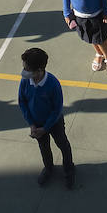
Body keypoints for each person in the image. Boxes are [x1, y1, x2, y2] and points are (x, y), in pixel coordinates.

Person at [18, 47, 75, 188]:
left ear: (39, 70)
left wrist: (46, 127)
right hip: (36, 124)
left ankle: (69, 169)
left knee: (63, 145)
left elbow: (57, 109)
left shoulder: (53, 84)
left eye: (27, 69)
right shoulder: (25, 81)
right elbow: (22, 101)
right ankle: (49, 168)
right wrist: (32, 124)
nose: (24, 71)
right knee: (43, 147)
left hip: (54, 123)